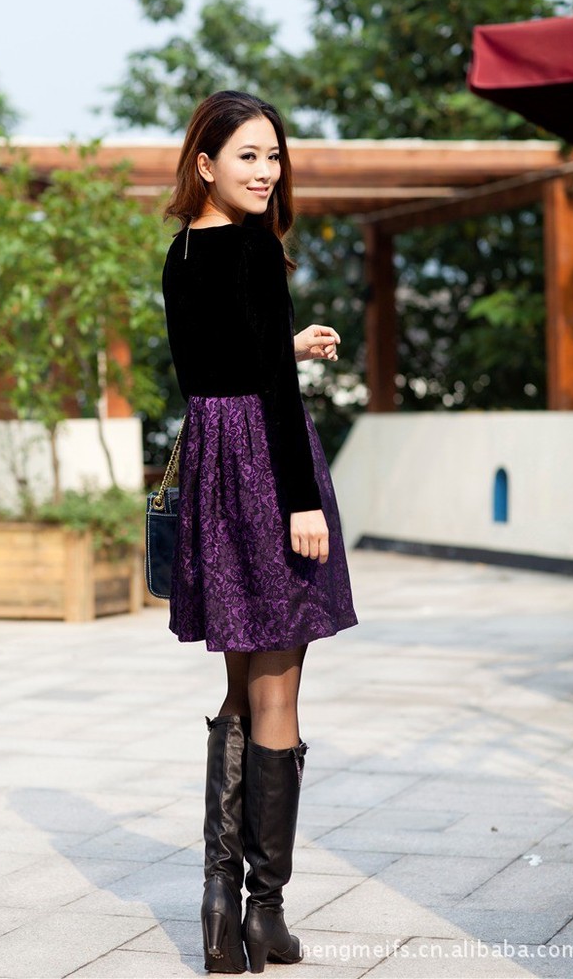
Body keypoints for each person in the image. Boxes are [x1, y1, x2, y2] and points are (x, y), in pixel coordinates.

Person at [161, 90, 359, 974]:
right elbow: (270, 393)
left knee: (242, 685)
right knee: (279, 692)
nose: (266, 171)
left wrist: (288, 342)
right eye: (248, 155)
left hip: (215, 467)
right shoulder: (254, 248)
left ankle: (217, 909)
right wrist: (302, 502)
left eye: (274, 156)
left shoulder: (182, 252)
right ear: (205, 164)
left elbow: (217, 363)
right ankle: (263, 913)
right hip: (269, 473)